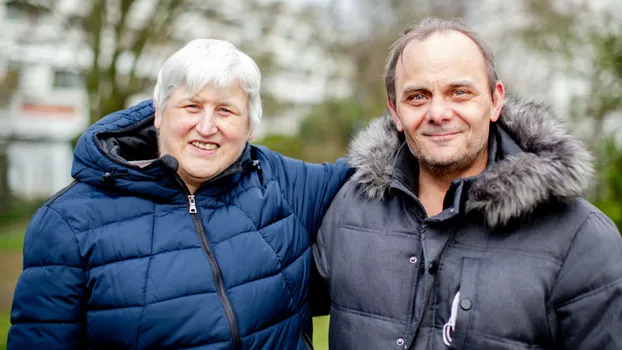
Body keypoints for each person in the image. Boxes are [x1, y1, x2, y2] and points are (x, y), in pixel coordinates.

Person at [8, 39, 350, 349]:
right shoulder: (68, 223)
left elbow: (384, 170)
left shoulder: (285, 183)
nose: (206, 126)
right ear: (158, 112)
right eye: (191, 106)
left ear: (249, 126)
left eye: (226, 110)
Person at [314, 18, 622, 350]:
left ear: (495, 100)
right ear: (395, 111)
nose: (438, 112)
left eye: (459, 92)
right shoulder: (348, 210)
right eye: (417, 97)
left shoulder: (581, 238)